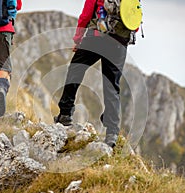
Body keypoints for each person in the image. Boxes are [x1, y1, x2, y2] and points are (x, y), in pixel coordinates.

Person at [54, 0, 133, 148]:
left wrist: (78, 39)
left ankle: (65, 113)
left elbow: (85, 15)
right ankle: (112, 133)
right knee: (112, 86)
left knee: (75, 70)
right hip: (119, 43)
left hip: (96, 37)